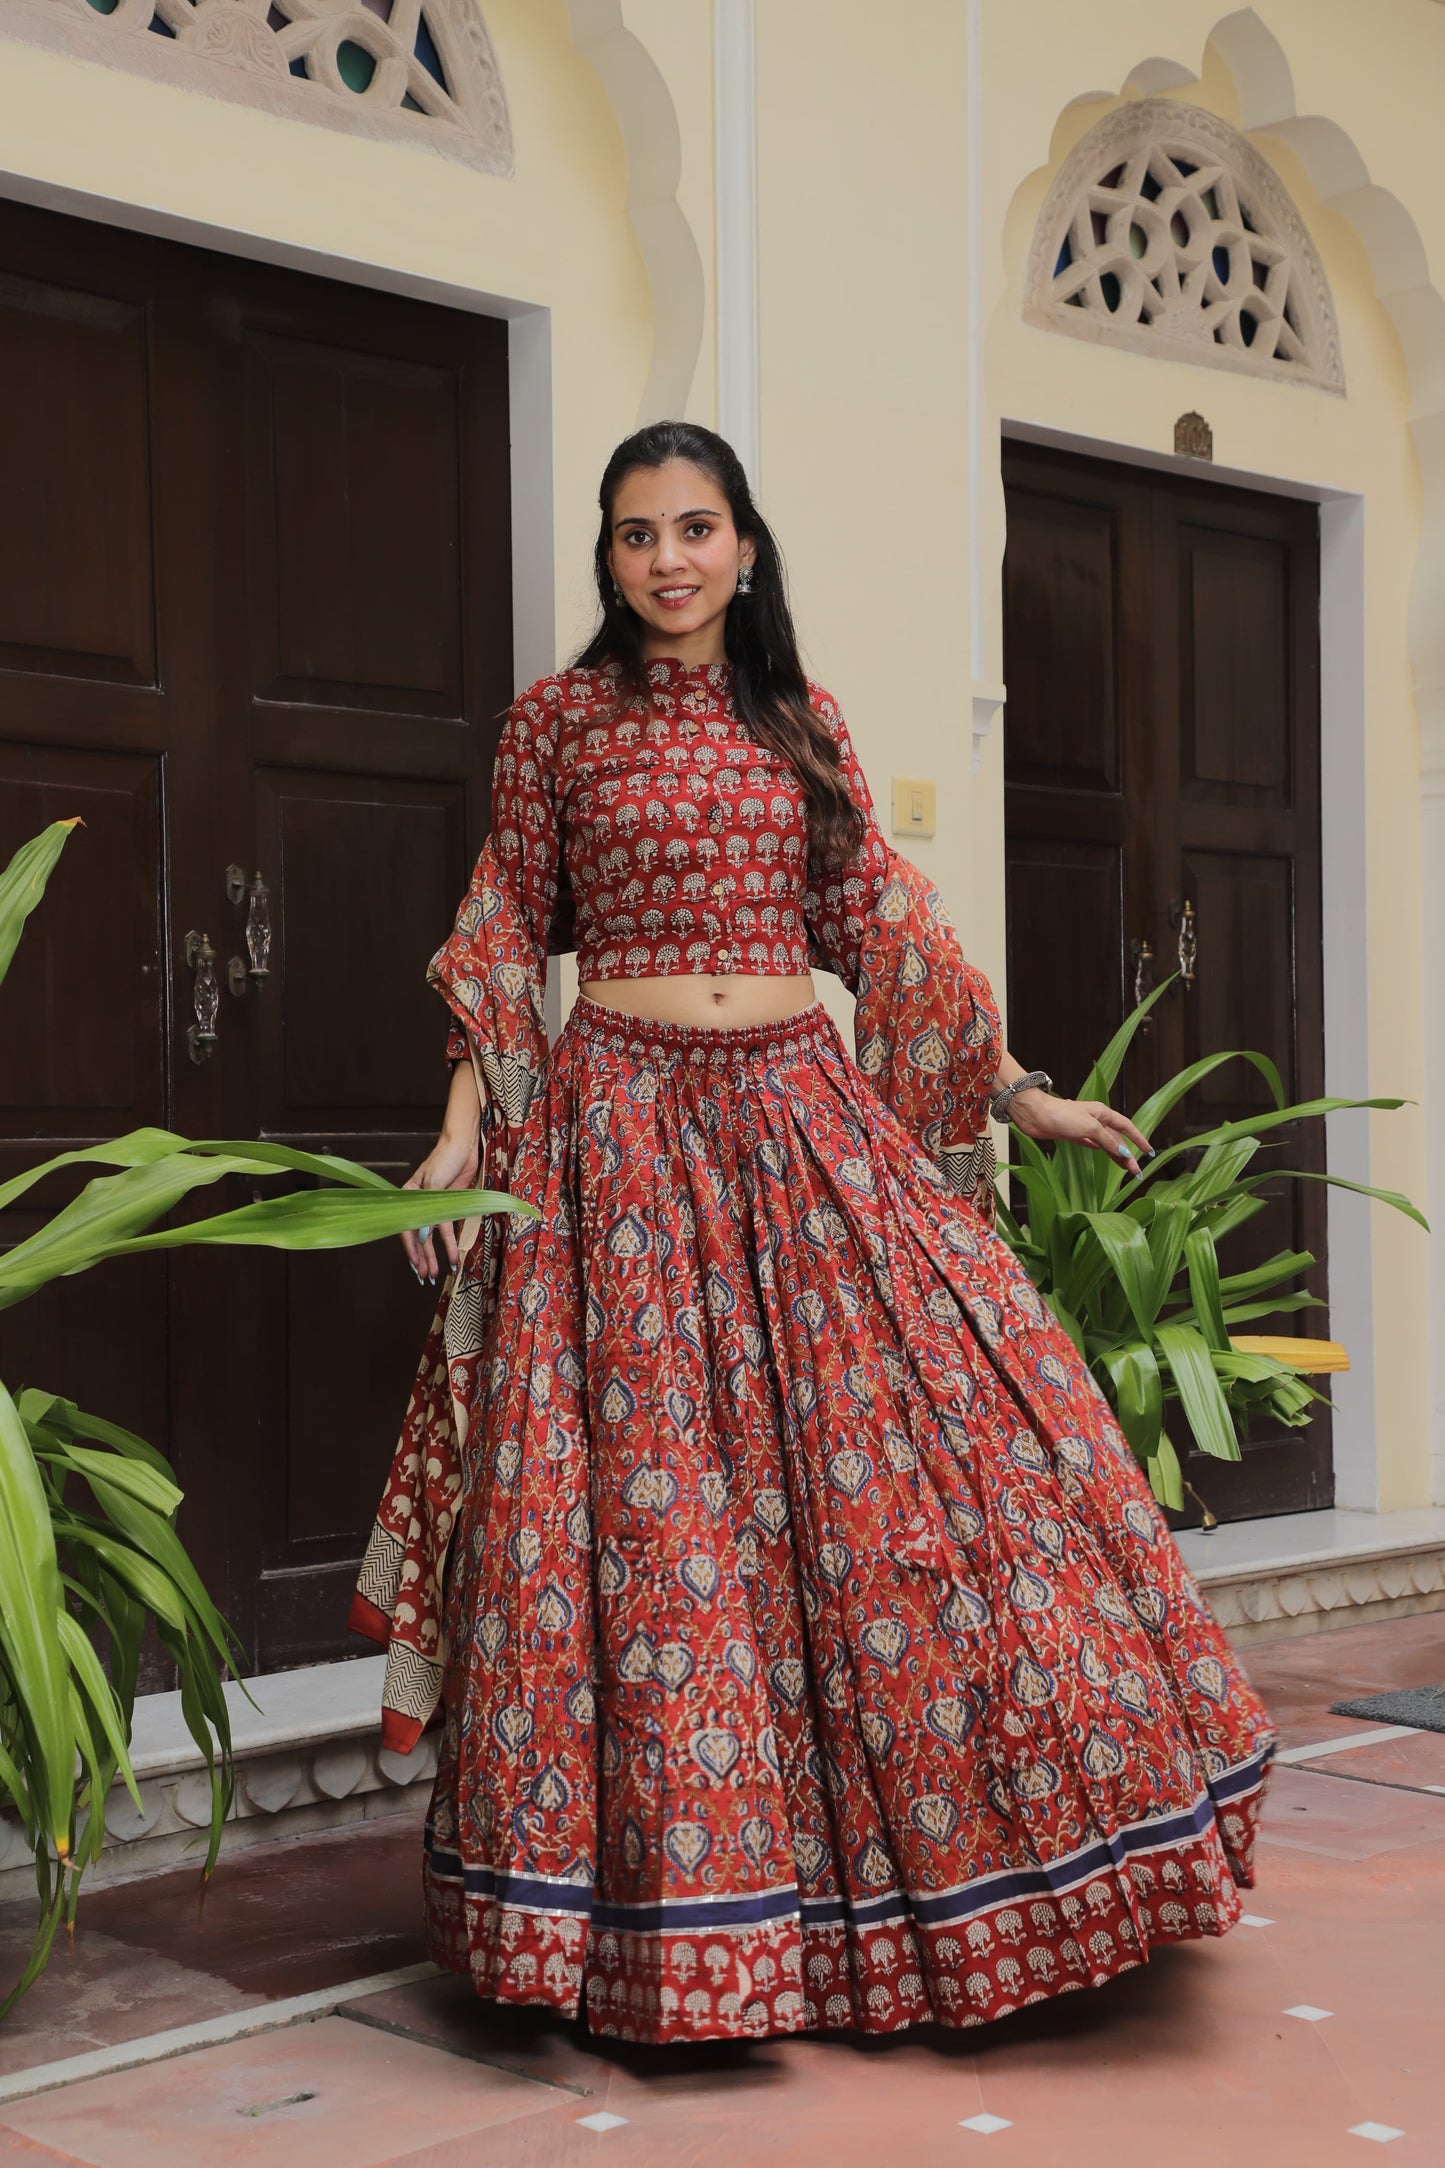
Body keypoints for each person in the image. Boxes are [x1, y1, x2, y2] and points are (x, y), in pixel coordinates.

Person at [353, 421, 1275, 2045]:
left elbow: (881, 923)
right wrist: (460, 1122)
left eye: (695, 528)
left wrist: (1009, 1090)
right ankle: (659, 1927)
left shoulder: (799, 724)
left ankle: (946, 1891)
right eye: (636, 535)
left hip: (797, 1124)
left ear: (746, 547)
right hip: (617, 1139)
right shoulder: (557, 726)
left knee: (900, 1473)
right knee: (652, 1524)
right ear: (609, 557)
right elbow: (503, 916)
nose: (668, 561)